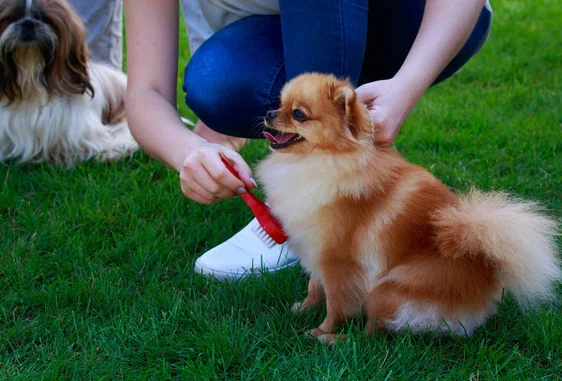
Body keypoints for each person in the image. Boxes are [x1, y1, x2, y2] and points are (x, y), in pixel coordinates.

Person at [124, 0, 493, 280]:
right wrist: (189, 150)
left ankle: (319, 203)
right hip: (281, 37)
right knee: (215, 79)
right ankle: (315, 201)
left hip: (418, 20)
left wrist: (407, 85)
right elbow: (145, 93)